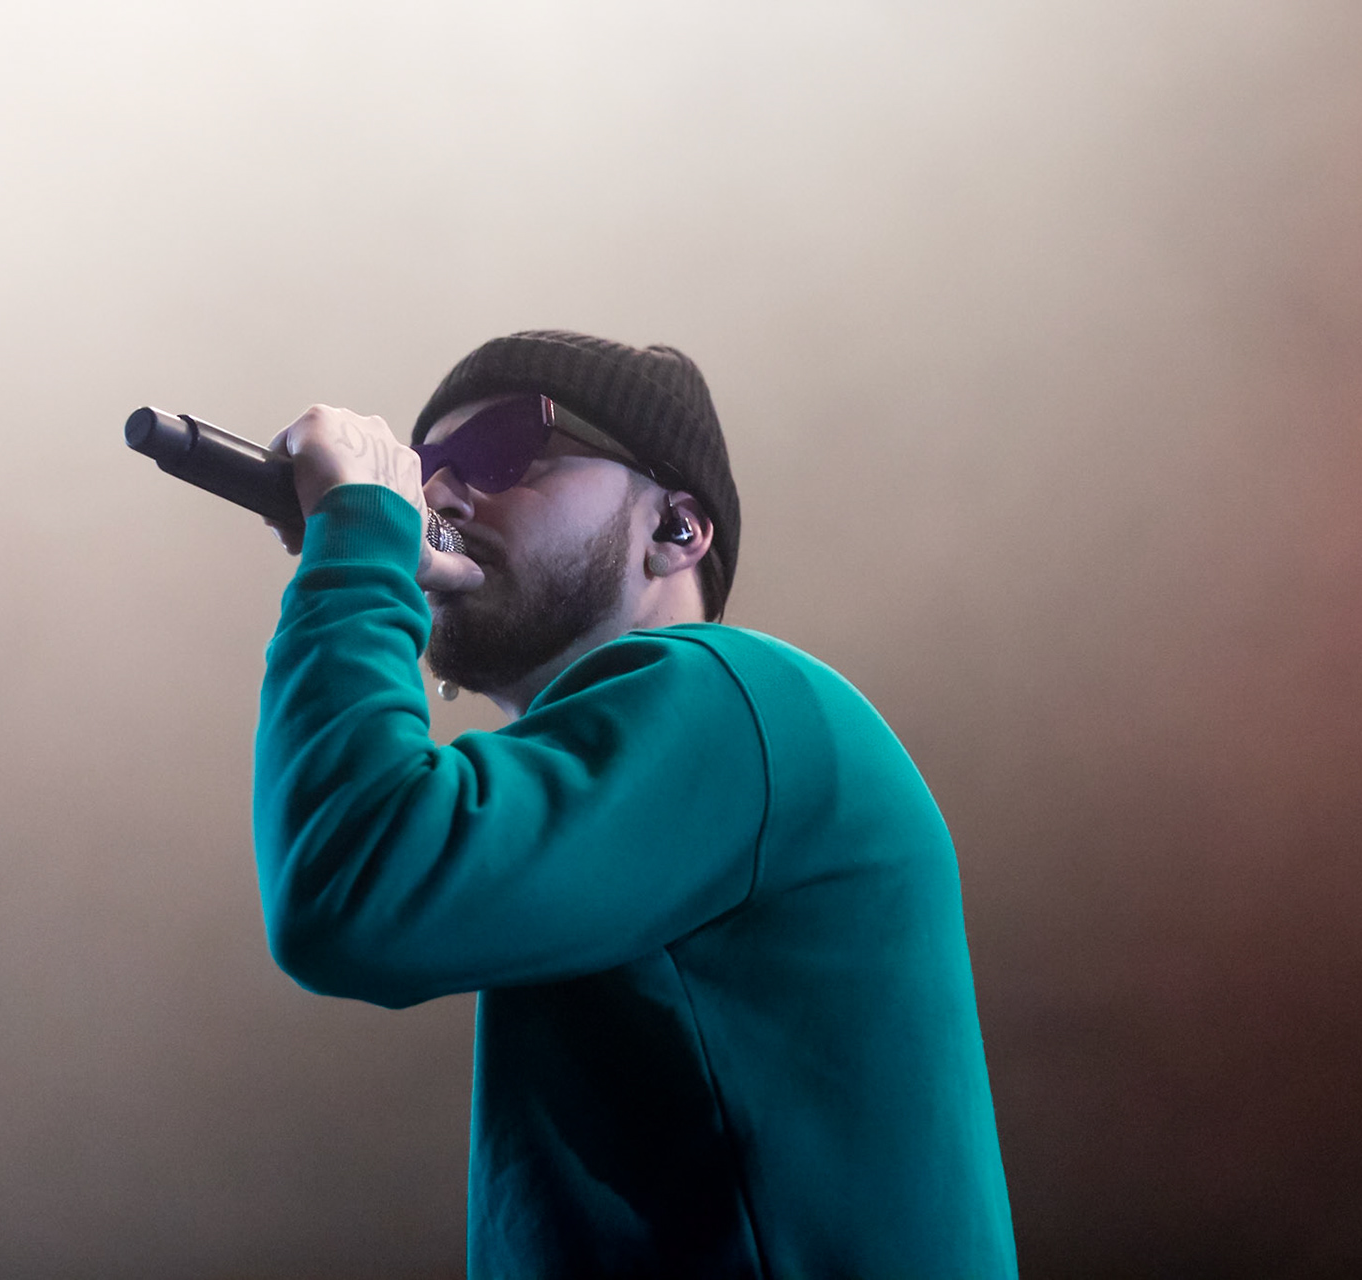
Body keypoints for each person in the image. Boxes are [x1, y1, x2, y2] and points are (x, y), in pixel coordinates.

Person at [253, 330, 1017, 1277]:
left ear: (675, 531)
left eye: (501, 450)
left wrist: (358, 551)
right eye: (424, 473)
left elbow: (357, 887)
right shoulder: (637, 791)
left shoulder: (740, 698)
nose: (440, 496)